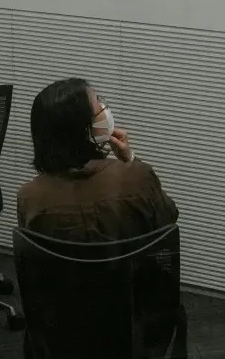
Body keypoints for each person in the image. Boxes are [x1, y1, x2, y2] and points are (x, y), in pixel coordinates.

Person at [17, 78, 177, 241]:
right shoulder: (137, 177)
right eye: (98, 101)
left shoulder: (29, 197)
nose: (104, 107)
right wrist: (130, 159)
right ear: (87, 130)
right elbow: (168, 217)